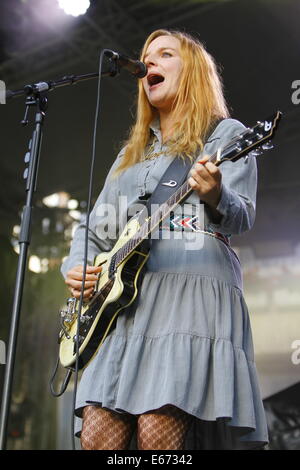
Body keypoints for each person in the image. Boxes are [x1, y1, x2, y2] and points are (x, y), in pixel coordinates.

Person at [61, 29, 269, 450]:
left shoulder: (226, 134)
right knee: (98, 439)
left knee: (159, 441)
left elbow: (241, 215)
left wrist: (215, 193)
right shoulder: (130, 154)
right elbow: (94, 228)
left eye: (165, 54)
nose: (148, 63)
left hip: (189, 299)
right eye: (145, 57)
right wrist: (77, 267)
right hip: (123, 308)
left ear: (191, 70)